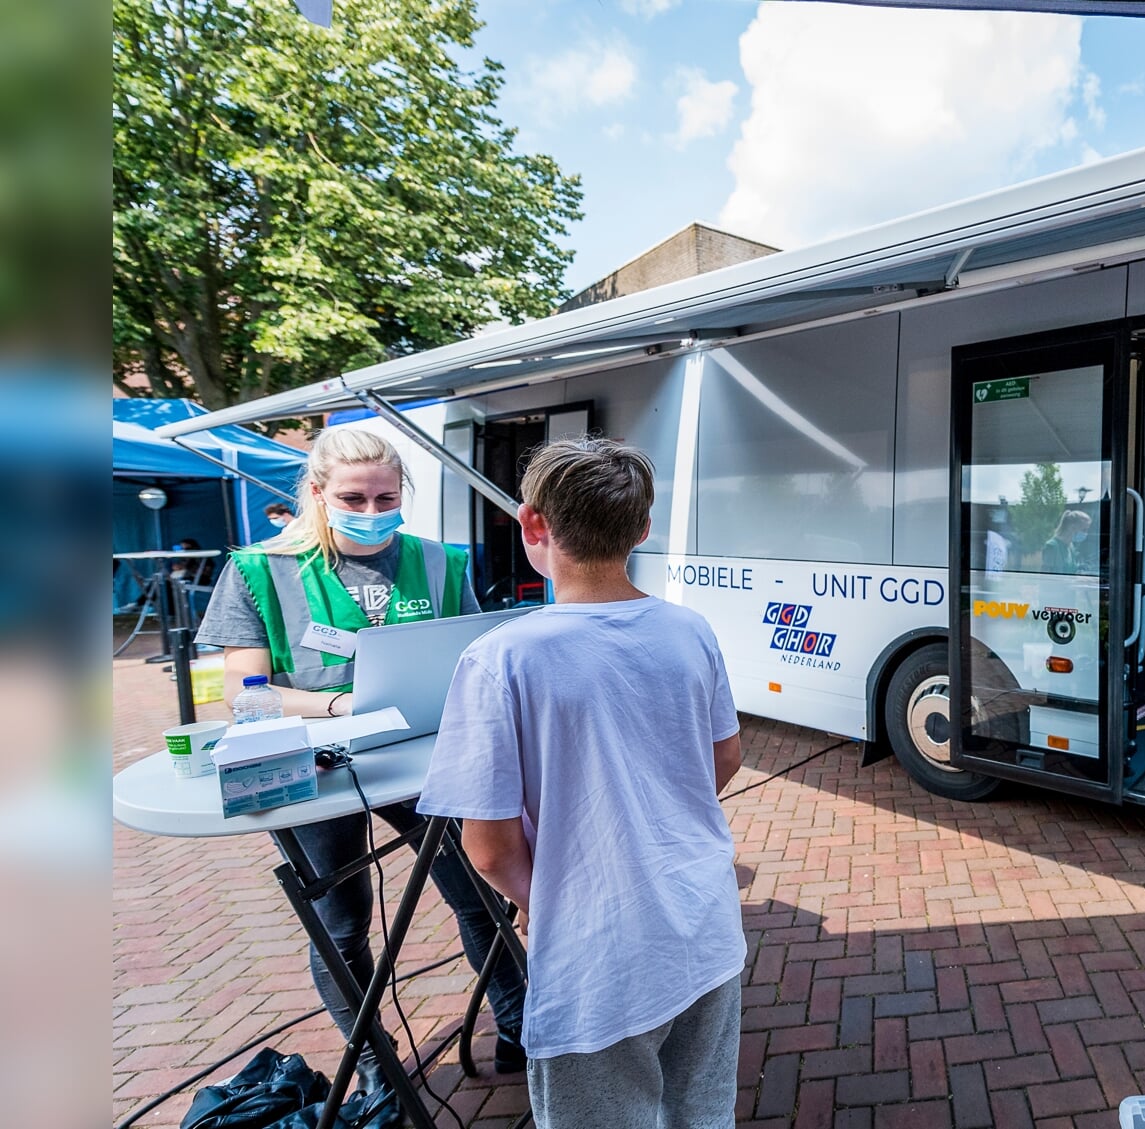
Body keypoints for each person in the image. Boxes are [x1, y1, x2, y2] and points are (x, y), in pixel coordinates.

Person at [418, 437, 744, 1129]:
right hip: (706, 923)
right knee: (700, 1114)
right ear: (642, 528)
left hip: (600, 951)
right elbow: (724, 759)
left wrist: (549, 899)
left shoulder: (500, 657)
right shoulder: (690, 629)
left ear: (533, 523)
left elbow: (489, 849)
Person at [194, 428, 527, 1089]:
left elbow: (469, 653)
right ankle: (376, 1067)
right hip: (318, 766)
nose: (372, 511)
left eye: (386, 496)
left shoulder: (438, 560)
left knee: (479, 894)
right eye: (353, 497)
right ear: (317, 493)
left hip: (425, 757)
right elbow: (241, 689)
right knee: (341, 924)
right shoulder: (261, 569)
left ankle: (521, 1025)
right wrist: (338, 707)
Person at [1040, 509, 1092, 573]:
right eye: (1084, 530)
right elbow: (1045, 575)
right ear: (1072, 527)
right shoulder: (1052, 546)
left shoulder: (1070, 546)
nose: (1086, 533)